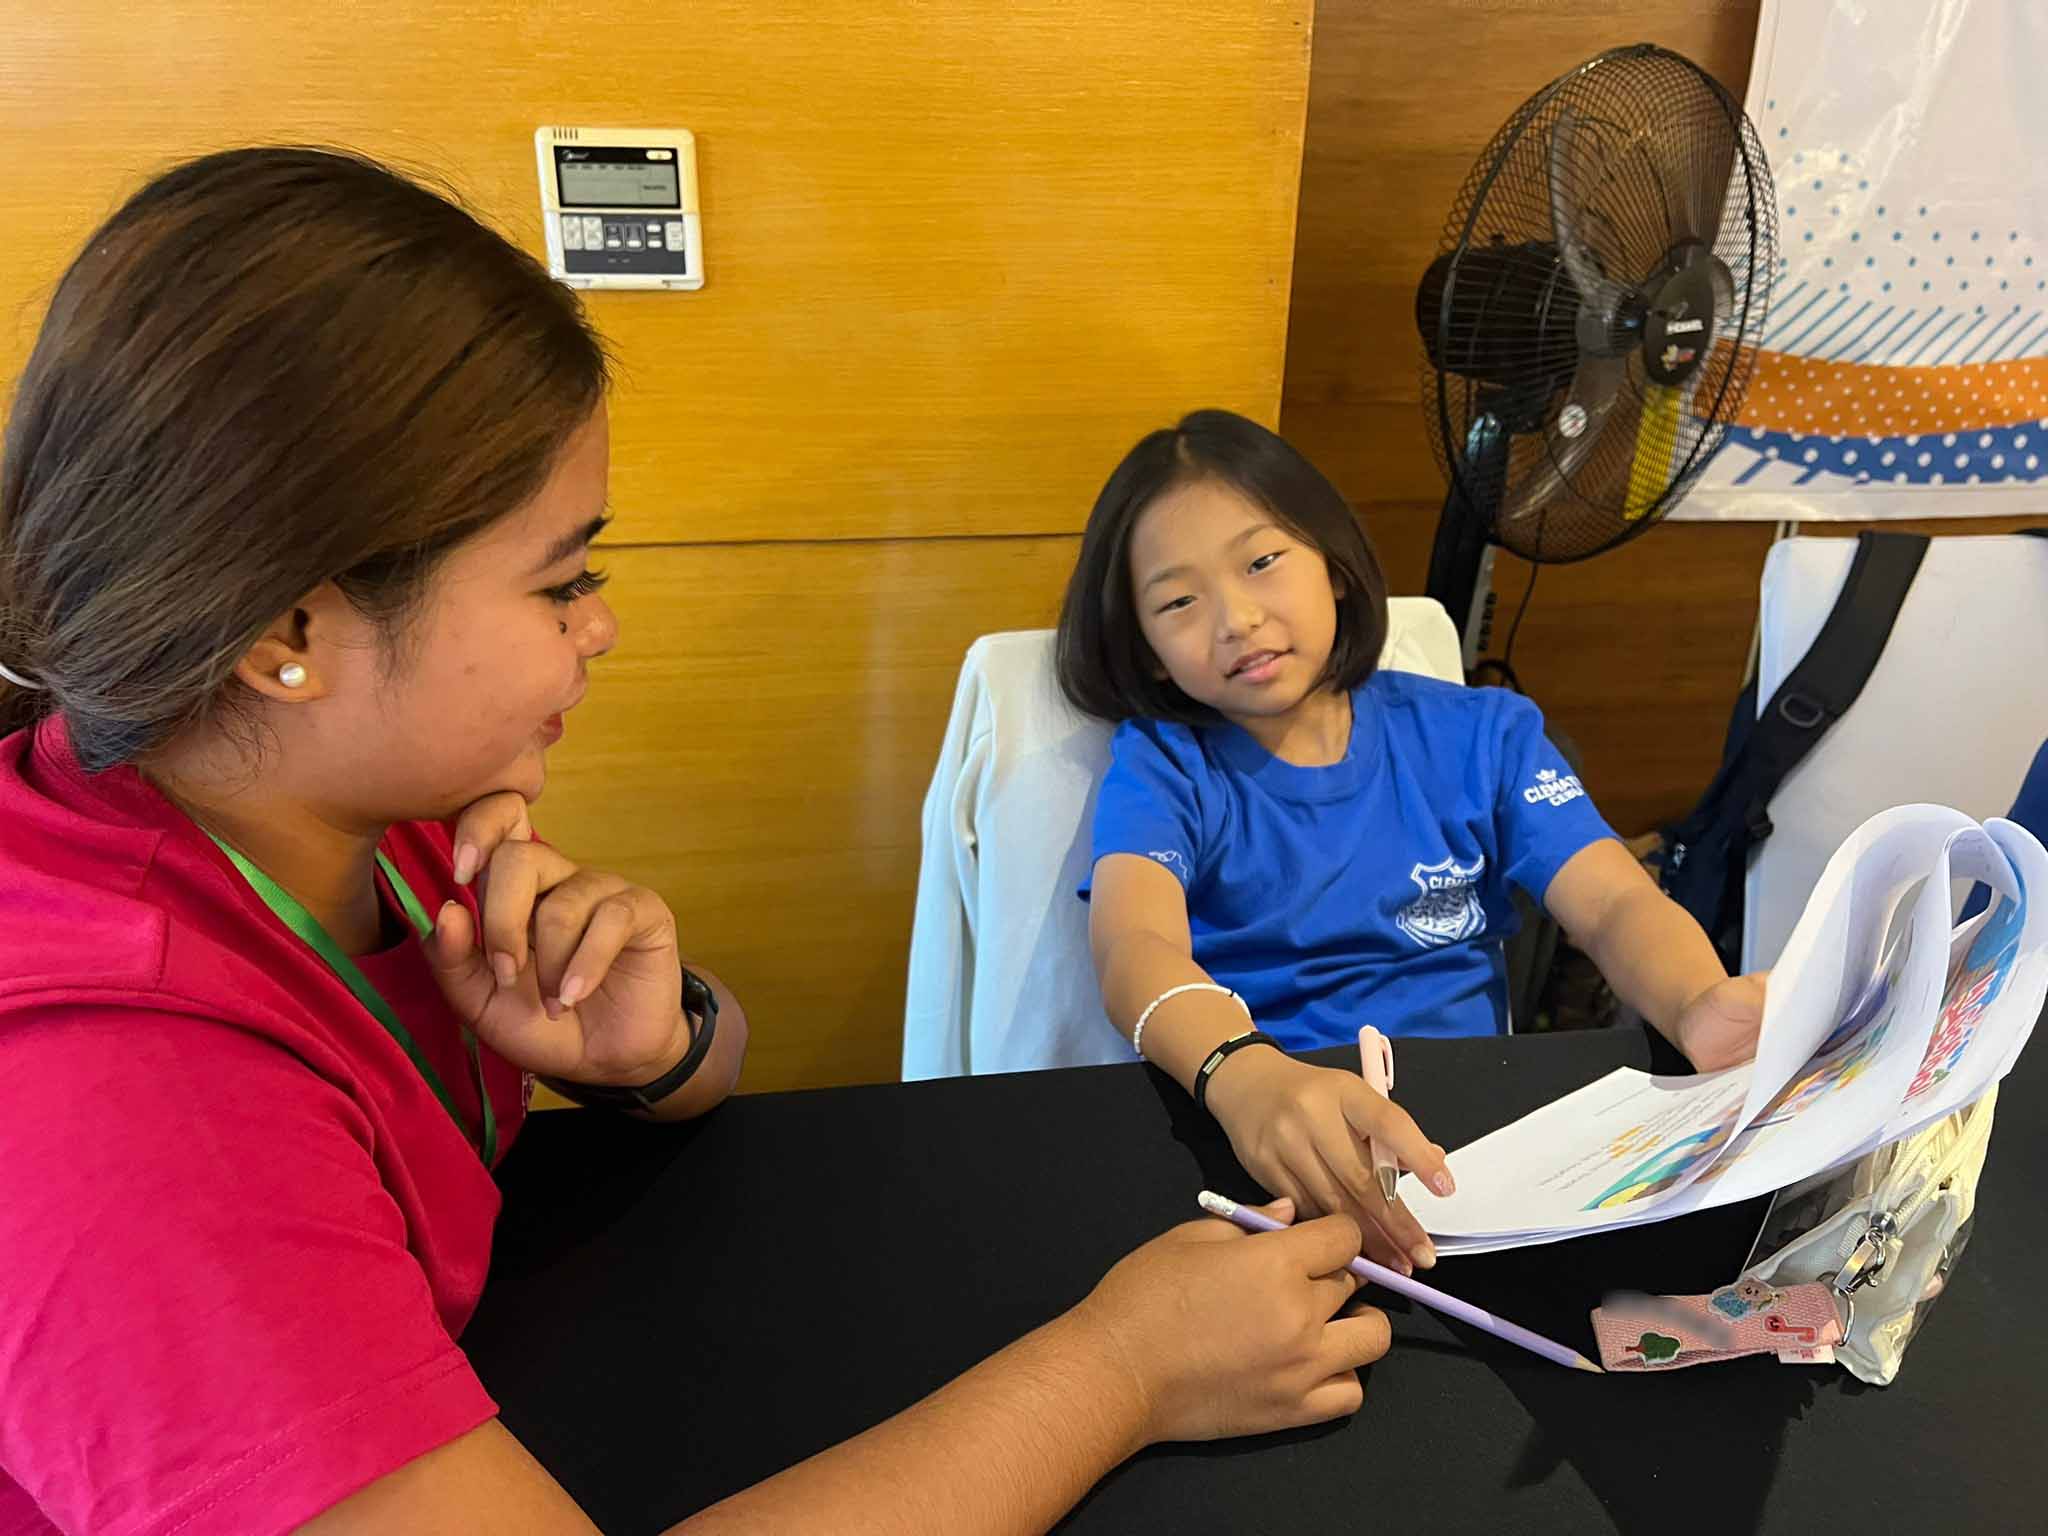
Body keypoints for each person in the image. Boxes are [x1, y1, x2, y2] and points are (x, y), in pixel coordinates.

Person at [0, 150, 1449, 1536]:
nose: (600, 626)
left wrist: (655, 1050)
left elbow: (709, 1058)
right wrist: (1124, 1371)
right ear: (287, 636)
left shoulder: (363, 823)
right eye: (561, 582)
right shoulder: (110, 1103)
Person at [1056, 409, 1767, 1275]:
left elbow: (1615, 902)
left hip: (1483, 1146)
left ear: (1334, 565)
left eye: (1262, 561)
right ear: (1148, 652)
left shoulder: (1483, 736)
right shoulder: (1164, 765)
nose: (1236, 618)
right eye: (1178, 601)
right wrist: (1244, 1076)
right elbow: (1133, 947)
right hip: (1277, 1141)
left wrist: (1697, 1002)